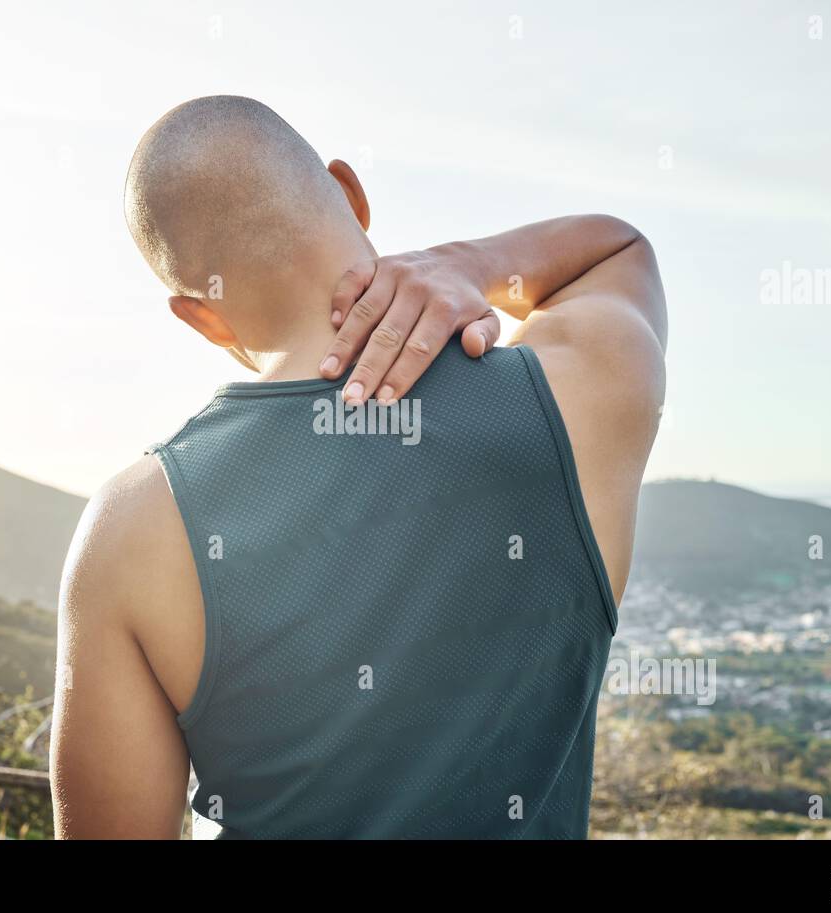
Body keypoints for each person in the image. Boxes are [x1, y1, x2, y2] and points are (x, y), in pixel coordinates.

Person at [49, 95, 666, 839]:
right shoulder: (576, 392)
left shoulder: (130, 527)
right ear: (352, 193)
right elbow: (620, 250)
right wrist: (477, 263)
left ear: (199, 316)